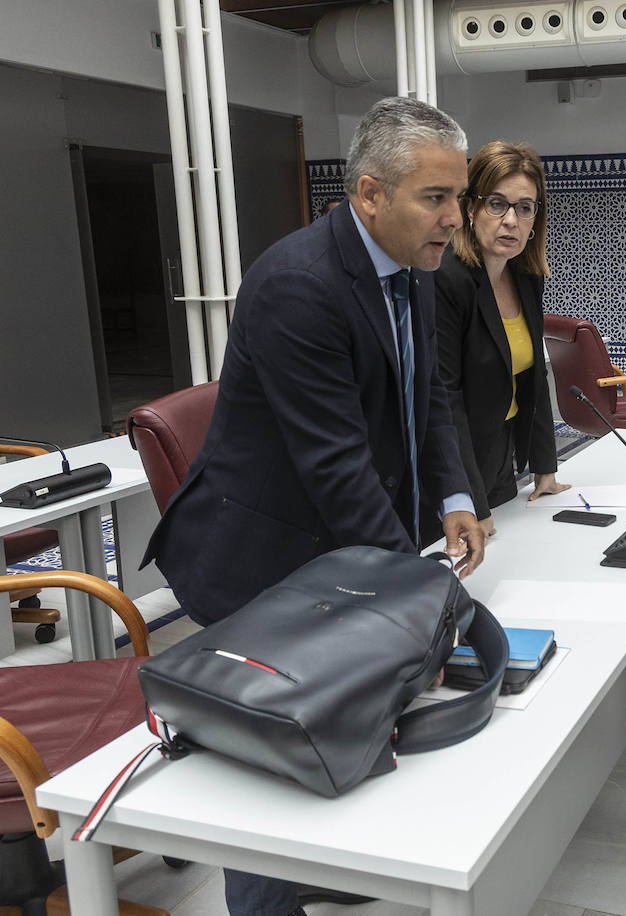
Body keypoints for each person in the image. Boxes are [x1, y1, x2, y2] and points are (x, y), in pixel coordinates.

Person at [144, 96, 487, 916]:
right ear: (370, 194)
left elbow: (425, 398)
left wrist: (455, 493)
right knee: (261, 763)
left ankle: (327, 864)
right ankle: (267, 901)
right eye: (435, 198)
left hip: (333, 552)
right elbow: (336, 467)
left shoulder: (418, 266)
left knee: (340, 720)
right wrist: (424, 602)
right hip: (260, 560)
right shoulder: (298, 285)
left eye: (458, 197)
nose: (454, 218)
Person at [432, 140, 568, 540]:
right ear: (470, 207)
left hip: (501, 454)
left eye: (524, 208)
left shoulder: (525, 276)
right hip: (452, 469)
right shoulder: (447, 279)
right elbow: (445, 396)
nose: (511, 220)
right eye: (497, 203)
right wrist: (469, 502)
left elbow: (534, 378)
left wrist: (545, 468)